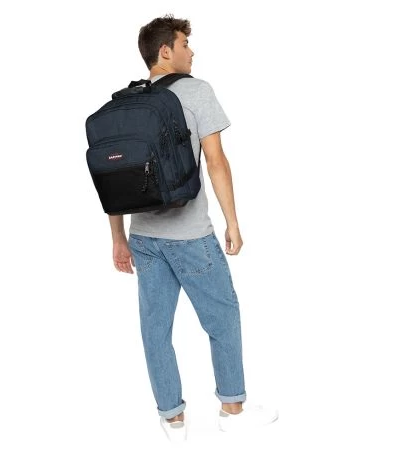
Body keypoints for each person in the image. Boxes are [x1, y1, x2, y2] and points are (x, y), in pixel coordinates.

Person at [107, 14, 278, 442]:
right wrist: (232, 222)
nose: (192, 51)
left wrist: (118, 239)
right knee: (223, 318)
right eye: (185, 44)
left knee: (155, 330)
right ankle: (232, 409)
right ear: (166, 51)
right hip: (190, 236)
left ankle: (172, 420)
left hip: (144, 238)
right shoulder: (197, 91)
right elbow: (216, 160)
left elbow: (114, 180)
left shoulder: (127, 104)